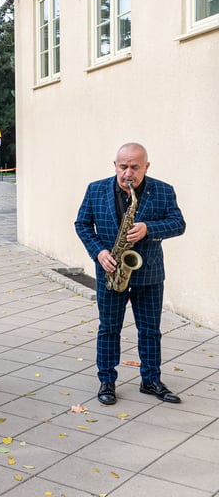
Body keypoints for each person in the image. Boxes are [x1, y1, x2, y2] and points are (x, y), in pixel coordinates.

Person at [75, 143, 186, 406]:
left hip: (149, 273)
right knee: (109, 329)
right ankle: (107, 381)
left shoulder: (163, 190)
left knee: (150, 331)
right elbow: (82, 224)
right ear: (114, 165)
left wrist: (149, 228)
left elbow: (178, 224)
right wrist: (99, 252)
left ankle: (151, 380)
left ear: (146, 166)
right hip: (110, 271)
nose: (128, 173)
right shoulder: (96, 189)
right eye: (123, 166)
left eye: (135, 167)